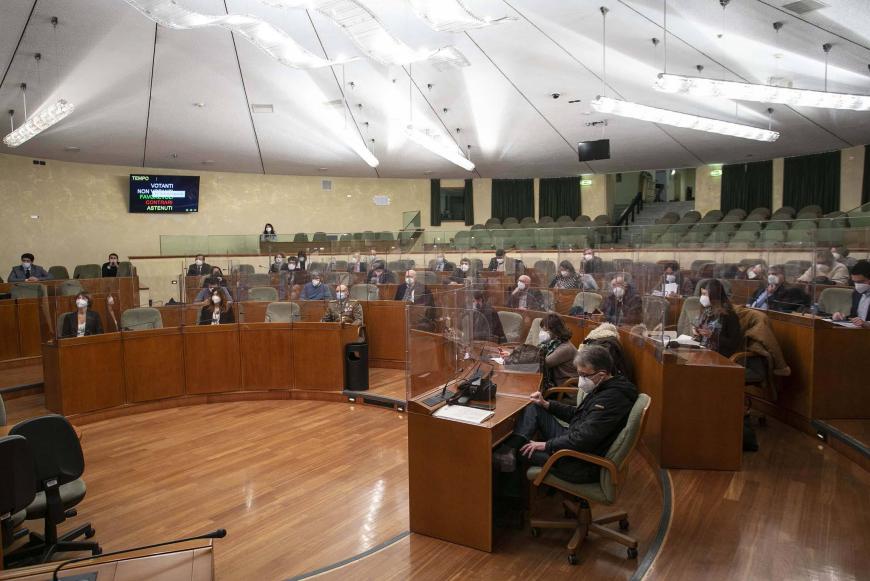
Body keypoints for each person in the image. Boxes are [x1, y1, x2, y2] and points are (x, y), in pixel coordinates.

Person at [498, 346, 638, 484]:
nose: (580, 380)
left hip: (578, 461)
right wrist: (547, 404)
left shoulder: (611, 399)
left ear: (601, 374)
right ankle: (508, 451)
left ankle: (510, 487)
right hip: (573, 437)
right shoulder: (606, 385)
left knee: (523, 450)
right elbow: (578, 414)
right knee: (535, 407)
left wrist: (546, 445)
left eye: (584, 375)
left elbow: (583, 439)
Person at [693, 279, 744, 357]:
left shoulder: (729, 315)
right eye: (701, 294)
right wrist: (697, 332)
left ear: (714, 295)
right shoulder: (706, 311)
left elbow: (734, 343)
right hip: (703, 352)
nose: (702, 297)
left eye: (704, 294)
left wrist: (712, 335)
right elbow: (703, 337)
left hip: (719, 356)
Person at [538, 314, 578, 388]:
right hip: (558, 384)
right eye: (542, 329)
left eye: (545, 330)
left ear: (555, 330)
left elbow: (542, 364)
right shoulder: (553, 344)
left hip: (564, 390)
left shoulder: (565, 348)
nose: (542, 332)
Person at [832, 260, 870, 328]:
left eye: (860, 282)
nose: (857, 285)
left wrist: (867, 324)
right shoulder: (856, 293)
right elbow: (854, 317)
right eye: (855, 282)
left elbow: (864, 322)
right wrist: (843, 318)